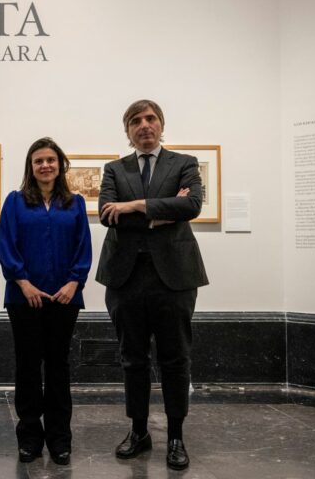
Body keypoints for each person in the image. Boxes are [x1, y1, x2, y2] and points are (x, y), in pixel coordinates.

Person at [96, 100, 208, 471]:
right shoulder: (114, 169)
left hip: (174, 276)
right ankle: (138, 430)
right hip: (125, 277)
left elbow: (191, 205)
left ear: (161, 125)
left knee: (176, 359)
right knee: (133, 359)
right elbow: (107, 214)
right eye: (135, 121)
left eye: (150, 119)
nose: (144, 126)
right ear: (126, 130)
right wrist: (161, 213)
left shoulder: (184, 164)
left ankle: (175, 435)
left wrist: (136, 205)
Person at [0, 138, 92, 466]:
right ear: (31, 167)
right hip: (24, 298)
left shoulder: (75, 204)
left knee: (57, 367)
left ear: (60, 164)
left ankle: (59, 438)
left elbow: (83, 248)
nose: (45, 166)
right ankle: (29, 438)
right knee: (27, 366)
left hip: (64, 298)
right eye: (39, 161)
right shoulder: (14, 202)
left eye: (51, 160)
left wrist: (73, 283)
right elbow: (7, 246)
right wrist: (23, 283)